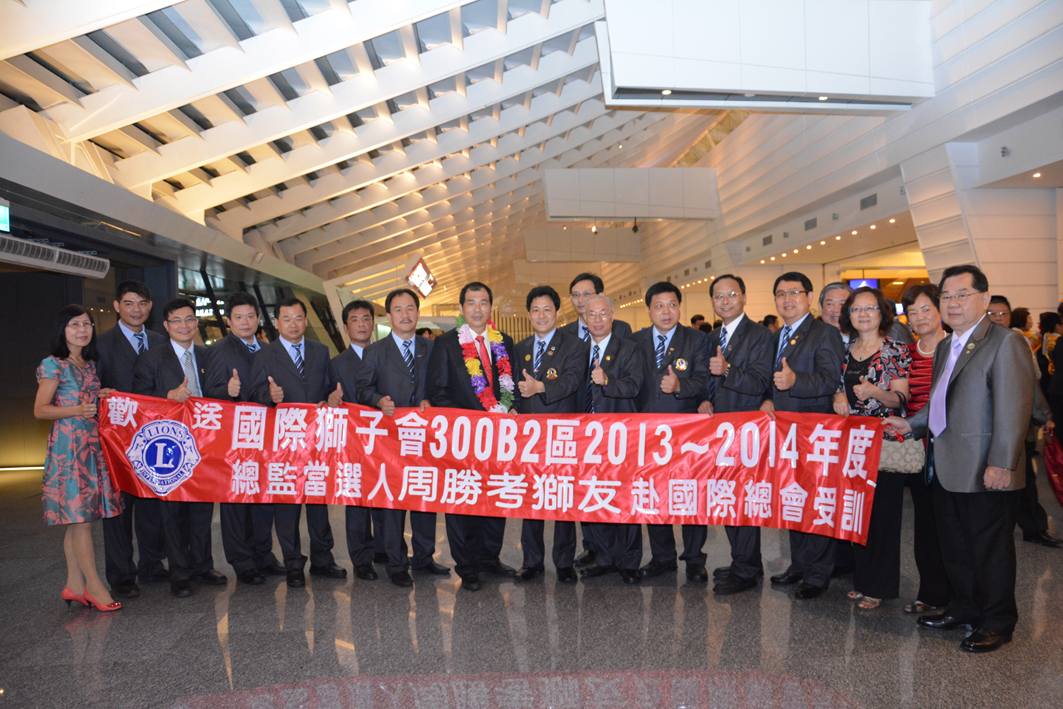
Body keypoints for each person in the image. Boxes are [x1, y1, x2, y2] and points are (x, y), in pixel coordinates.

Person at [886, 264, 1035, 653]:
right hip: (946, 464)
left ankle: (998, 620)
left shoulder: (1005, 342)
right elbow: (942, 404)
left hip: (986, 467)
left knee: (990, 550)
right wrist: (911, 425)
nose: (952, 303)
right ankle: (965, 607)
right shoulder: (948, 345)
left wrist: (1002, 463)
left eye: (961, 295)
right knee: (955, 545)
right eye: (947, 297)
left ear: (984, 299)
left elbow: (1014, 409)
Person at [248, 297, 347, 588]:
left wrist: (332, 398)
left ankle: (323, 559)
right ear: (276, 323)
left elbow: (327, 388)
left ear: (305, 320)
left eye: (298, 318)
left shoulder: (320, 350)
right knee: (287, 506)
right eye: (287, 319)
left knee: (318, 502)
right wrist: (269, 396)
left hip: (316, 442)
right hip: (283, 443)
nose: (293, 324)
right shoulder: (265, 354)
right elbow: (253, 394)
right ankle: (293, 563)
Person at [425, 282, 518, 591]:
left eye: (483, 303)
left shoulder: (504, 341)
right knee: (463, 500)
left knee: (495, 497)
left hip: (498, 439)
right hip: (463, 439)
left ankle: (490, 558)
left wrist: (511, 408)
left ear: (491, 307)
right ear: (461, 308)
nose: (478, 309)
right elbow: (437, 390)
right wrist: (473, 419)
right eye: (471, 303)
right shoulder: (446, 343)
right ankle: (467, 567)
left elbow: (510, 387)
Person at [133, 297, 227, 598]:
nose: (184, 325)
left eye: (189, 319)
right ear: (166, 325)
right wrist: (168, 396)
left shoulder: (209, 356)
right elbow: (139, 401)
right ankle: (179, 572)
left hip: (206, 444)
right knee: (173, 511)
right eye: (176, 320)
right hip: (169, 446)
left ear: (196, 323)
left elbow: (217, 394)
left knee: (202, 507)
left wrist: (229, 391)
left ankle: (202, 565)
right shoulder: (151, 358)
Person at [356, 288, 449, 587]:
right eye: (398, 309)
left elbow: (441, 384)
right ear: (388, 316)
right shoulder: (375, 351)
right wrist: (378, 400)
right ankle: (396, 563)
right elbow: (362, 389)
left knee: (424, 495)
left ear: (418, 313)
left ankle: (424, 557)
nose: (405, 315)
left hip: (425, 437)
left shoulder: (433, 347)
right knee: (393, 502)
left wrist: (432, 400)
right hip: (389, 439)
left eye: (410, 309)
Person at [762, 272, 845, 600]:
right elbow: (771, 380)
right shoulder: (776, 336)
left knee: (817, 502)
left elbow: (829, 379)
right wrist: (767, 398)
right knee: (793, 498)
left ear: (809, 297)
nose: (787, 299)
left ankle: (817, 574)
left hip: (815, 432)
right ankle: (799, 564)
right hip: (784, 432)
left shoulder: (824, 333)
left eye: (794, 292)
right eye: (781, 294)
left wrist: (796, 380)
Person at [34, 305, 123, 612]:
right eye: (74, 324)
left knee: (78, 520)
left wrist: (99, 396)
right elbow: (40, 409)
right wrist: (77, 409)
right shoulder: (53, 364)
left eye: (87, 324)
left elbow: (84, 398)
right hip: (69, 447)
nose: (82, 330)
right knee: (81, 520)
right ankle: (95, 587)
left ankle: (74, 585)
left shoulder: (87, 363)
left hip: (90, 443)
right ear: (62, 329)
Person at [831, 287, 912, 610]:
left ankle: (880, 587)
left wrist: (876, 392)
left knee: (882, 518)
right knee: (857, 515)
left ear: (882, 314)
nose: (863, 314)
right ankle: (863, 581)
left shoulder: (894, 350)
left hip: (883, 444)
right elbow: (838, 387)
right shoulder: (846, 350)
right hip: (852, 447)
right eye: (856, 309)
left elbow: (900, 399)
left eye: (870, 308)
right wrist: (839, 395)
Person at [631, 282, 711, 582]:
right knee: (654, 494)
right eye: (659, 306)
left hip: (688, 431)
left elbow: (705, 380)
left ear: (680, 307)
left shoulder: (697, 340)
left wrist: (681, 386)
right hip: (648, 432)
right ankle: (662, 557)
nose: (666, 311)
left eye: (672, 304)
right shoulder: (635, 341)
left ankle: (694, 559)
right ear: (649, 310)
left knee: (690, 494)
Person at [699, 275, 774, 596]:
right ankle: (745, 561)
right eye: (719, 296)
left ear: (744, 297)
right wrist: (704, 399)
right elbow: (707, 379)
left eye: (732, 294)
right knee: (727, 497)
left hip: (746, 429)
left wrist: (728, 370)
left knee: (742, 500)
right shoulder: (712, 336)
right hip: (719, 431)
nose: (725, 301)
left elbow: (760, 382)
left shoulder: (759, 335)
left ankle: (746, 570)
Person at [94, 280, 167, 599]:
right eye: (129, 303)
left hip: (154, 441)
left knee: (152, 505)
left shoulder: (160, 341)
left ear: (150, 306)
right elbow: (91, 390)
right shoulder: (101, 344)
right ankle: (121, 574)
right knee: (119, 510)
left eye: (142, 303)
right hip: (117, 443)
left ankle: (152, 564)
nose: (136, 309)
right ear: (116, 306)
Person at [513, 286, 587, 583]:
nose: (541, 315)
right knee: (531, 497)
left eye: (547, 309)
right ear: (528, 314)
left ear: (557, 312)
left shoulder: (574, 345)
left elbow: (572, 381)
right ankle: (531, 561)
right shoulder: (520, 347)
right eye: (535, 310)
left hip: (562, 433)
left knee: (562, 497)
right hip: (529, 436)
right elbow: (513, 388)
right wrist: (512, 407)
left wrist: (540, 387)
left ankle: (564, 562)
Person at [202, 292, 277, 586]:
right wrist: (227, 390)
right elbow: (210, 393)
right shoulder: (219, 351)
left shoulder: (269, 349)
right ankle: (242, 562)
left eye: (250, 316)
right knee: (236, 502)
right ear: (228, 320)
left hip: (266, 437)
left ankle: (264, 555)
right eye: (238, 317)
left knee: (263, 498)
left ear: (258, 318)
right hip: (234, 439)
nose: (245, 322)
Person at [575, 295, 645, 584]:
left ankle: (629, 561)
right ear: (584, 319)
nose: (598, 319)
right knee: (596, 495)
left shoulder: (629, 348)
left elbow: (635, 386)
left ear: (612, 316)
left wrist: (607, 382)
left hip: (621, 435)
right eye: (592, 314)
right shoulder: (578, 350)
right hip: (586, 438)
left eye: (603, 313)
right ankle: (604, 557)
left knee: (625, 497)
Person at [899, 284, 952, 615]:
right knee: (926, 524)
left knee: (953, 525)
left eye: (925, 309)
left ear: (940, 310)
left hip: (952, 451)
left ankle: (960, 596)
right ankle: (931, 593)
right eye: (912, 312)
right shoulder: (905, 354)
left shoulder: (956, 349)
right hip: (917, 454)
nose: (919, 317)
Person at [329, 299, 385, 581]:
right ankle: (361, 558)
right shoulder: (336, 364)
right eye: (355, 319)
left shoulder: (386, 355)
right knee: (358, 502)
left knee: (387, 494)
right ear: (345, 327)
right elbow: (325, 398)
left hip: (386, 440)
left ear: (373, 323)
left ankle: (386, 550)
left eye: (366, 318)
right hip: (353, 443)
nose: (361, 324)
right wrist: (330, 400)